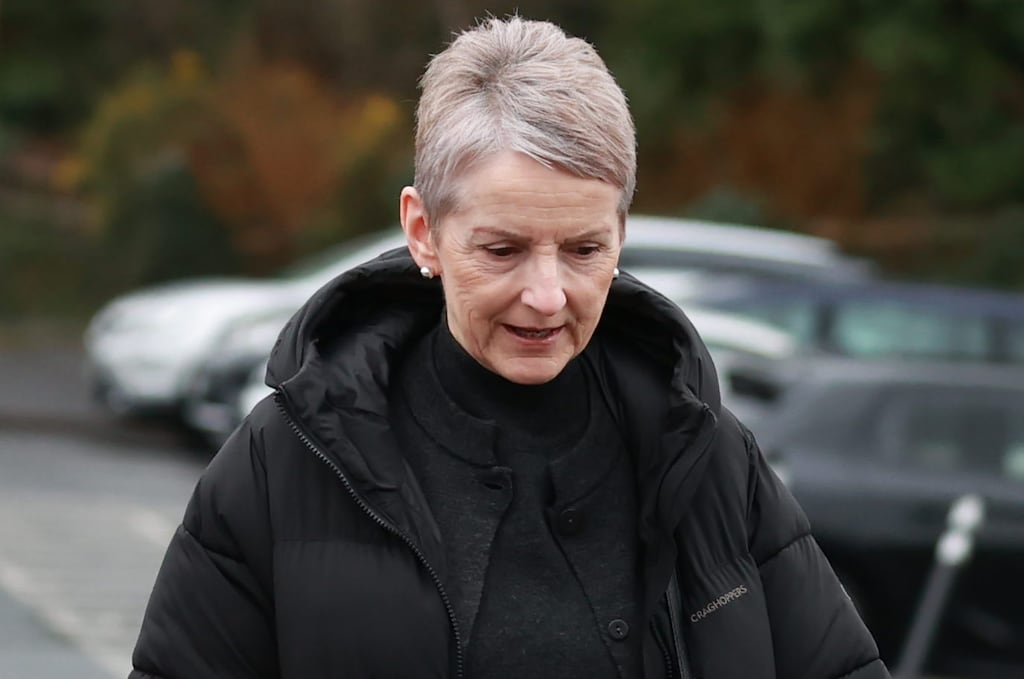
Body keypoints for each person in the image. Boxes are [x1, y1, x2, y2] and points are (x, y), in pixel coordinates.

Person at [128, 16, 890, 679]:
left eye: (585, 249)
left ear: (623, 234)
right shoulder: (284, 461)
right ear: (423, 230)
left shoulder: (706, 456)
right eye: (502, 250)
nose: (549, 294)